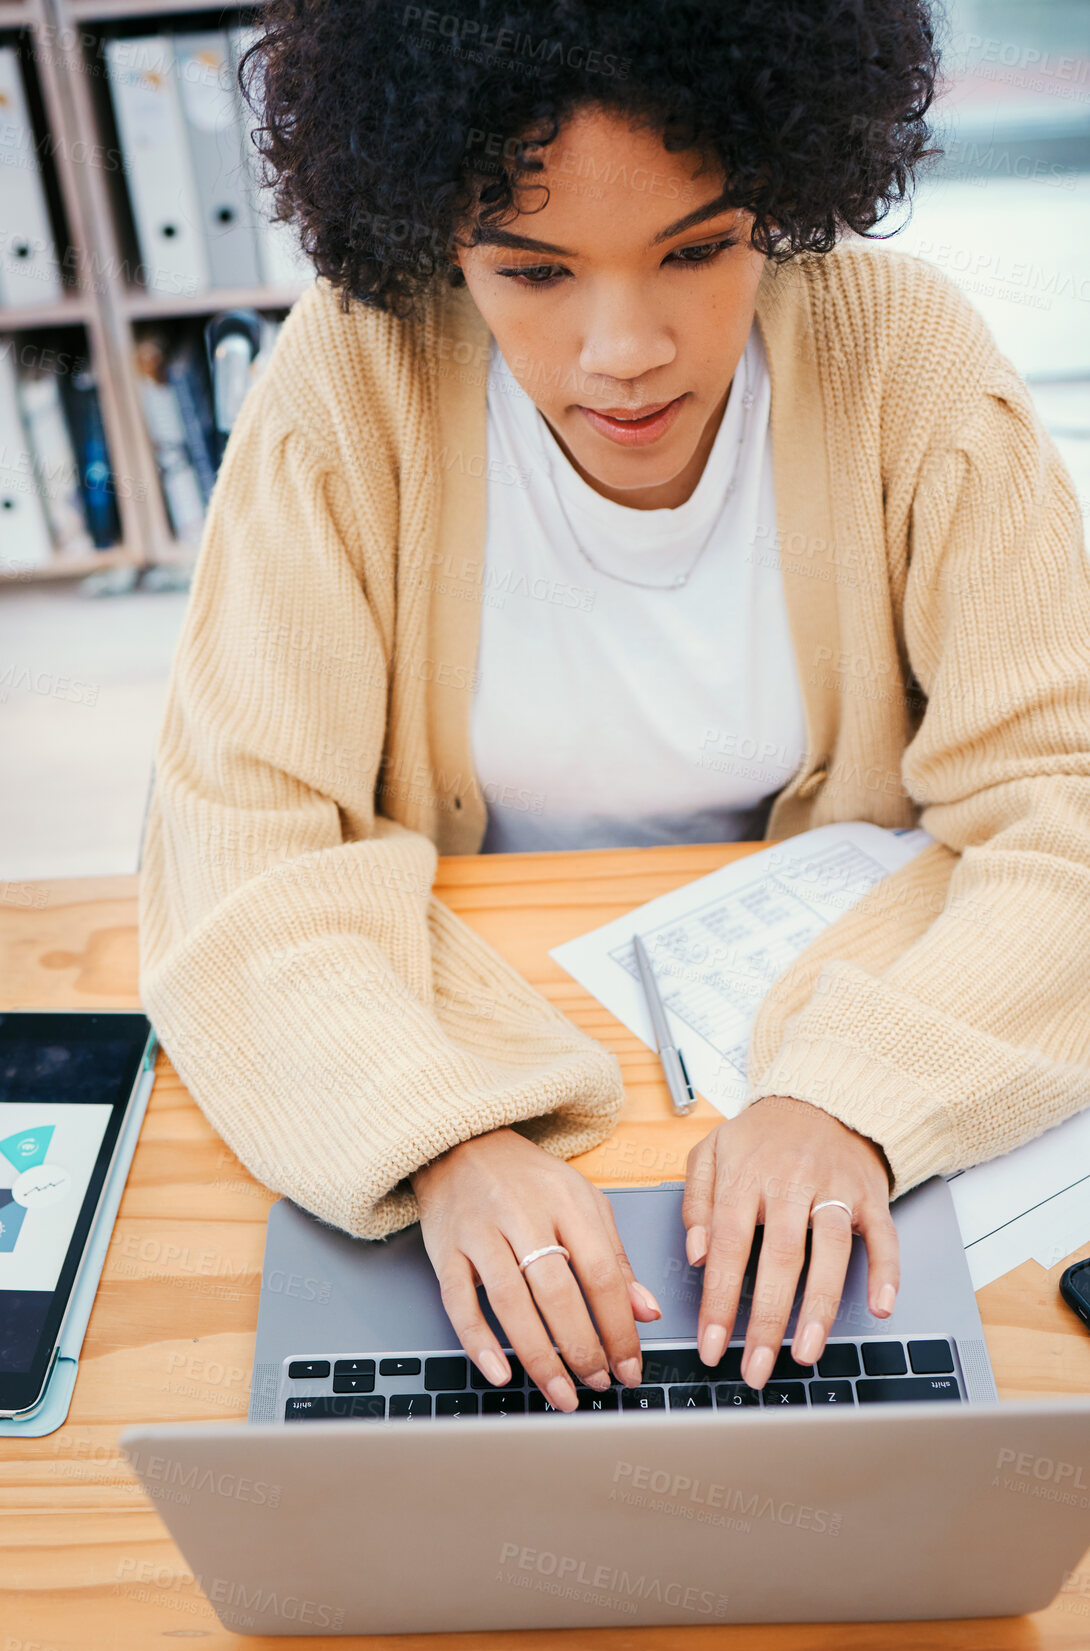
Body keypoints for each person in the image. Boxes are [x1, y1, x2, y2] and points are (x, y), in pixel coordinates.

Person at [139, 0, 1090, 1416]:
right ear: (435, 237)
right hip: (482, 1063)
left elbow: (1063, 803)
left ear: (784, 191)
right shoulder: (351, 374)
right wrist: (439, 1140)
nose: (622, 351)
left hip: (802, 1091)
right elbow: (237, 842)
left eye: (697, 250)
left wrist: (849, 1098)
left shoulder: (904, 360)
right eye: (531, 271)